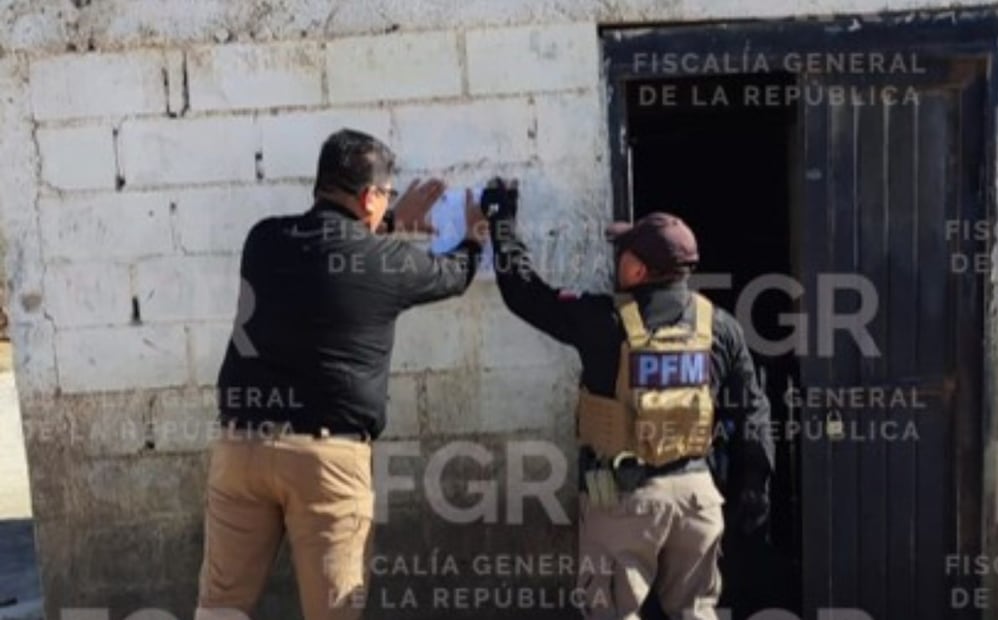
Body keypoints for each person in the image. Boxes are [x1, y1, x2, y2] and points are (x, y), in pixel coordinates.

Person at [195, 129, 487, 620]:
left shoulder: (263, 240)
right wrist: (478, 234)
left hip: (240, 451)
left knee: (220, 609)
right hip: (326, 463)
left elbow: (329, 259)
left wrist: (390, 222)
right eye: (385, 196)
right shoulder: (386, 262)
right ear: (369, 196)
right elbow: (453, 274)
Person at [482, 180, 774, 620]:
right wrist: (756, 486)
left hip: (624, 499)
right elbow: (754, 410)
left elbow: (524, 293)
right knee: (697, 613)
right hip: (697, 498)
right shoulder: (721, 326)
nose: (616, 259)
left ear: (638, 270)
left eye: (623, 253)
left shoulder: (603, 321)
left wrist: (502, 220)